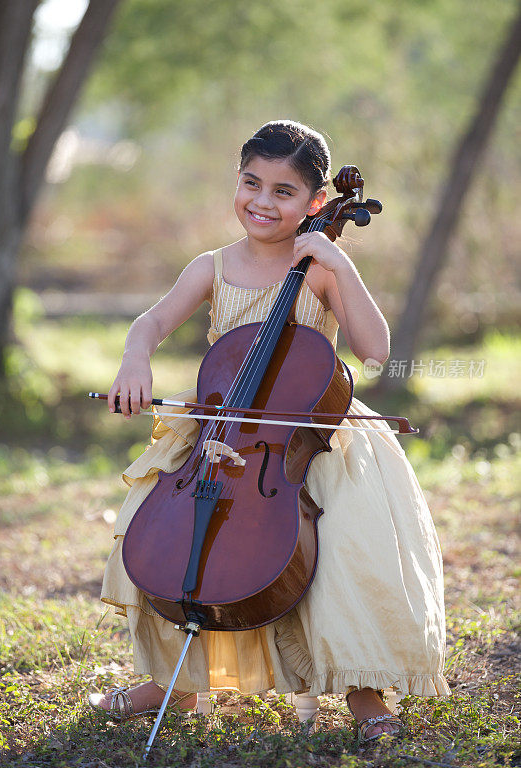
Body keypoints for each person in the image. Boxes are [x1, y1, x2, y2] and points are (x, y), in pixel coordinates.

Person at [89, 120, 450, 742]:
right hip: (222, 433)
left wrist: (338, 262)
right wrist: (134, 360)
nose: (261, 201)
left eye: (284, 192)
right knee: (179, 541)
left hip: (309, 440)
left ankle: (366, 696)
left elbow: (375, 350)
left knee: (343, 551)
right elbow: (149, 324)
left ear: (317, 205)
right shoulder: (213, 267)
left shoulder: (320, 269)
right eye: (251, 183)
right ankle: (173, 685)